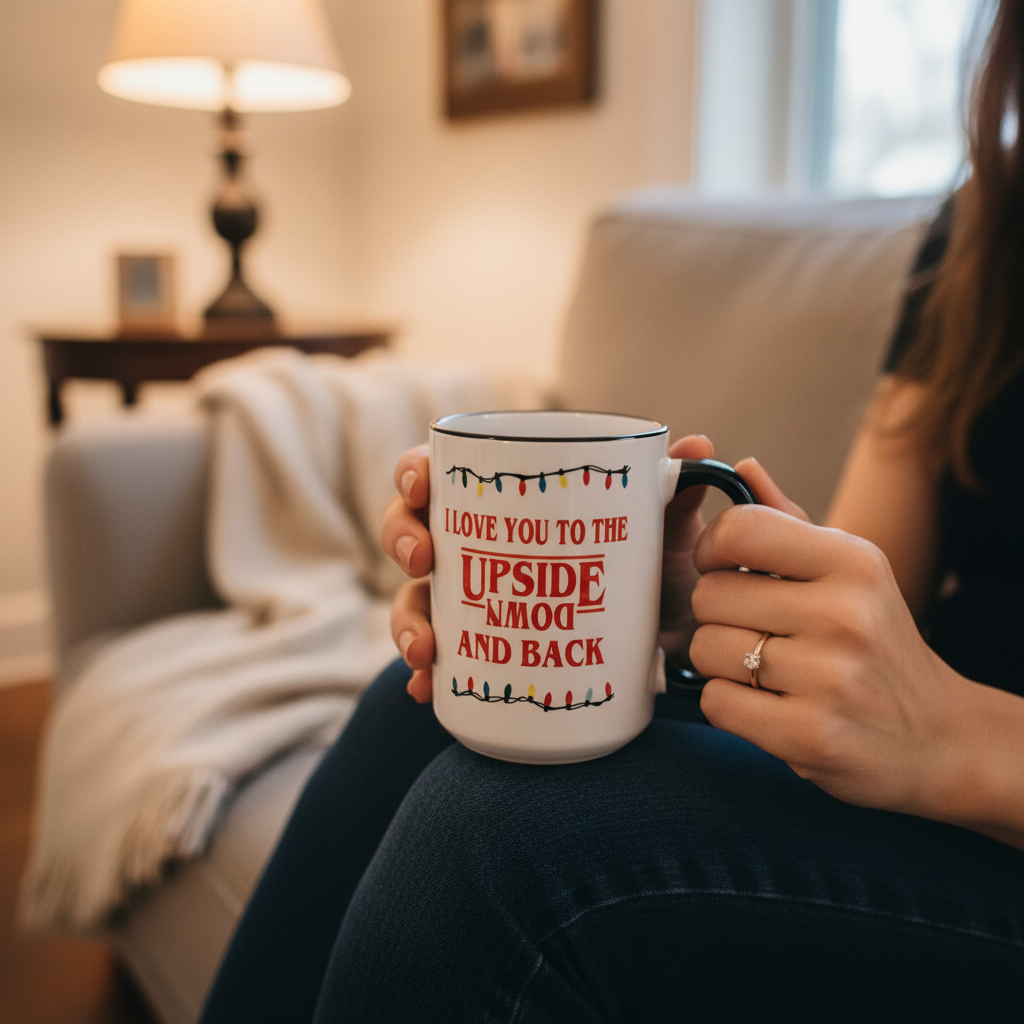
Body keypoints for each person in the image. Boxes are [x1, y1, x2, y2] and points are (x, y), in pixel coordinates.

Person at [200, 3, 1024, 1019]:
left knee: (499, 828)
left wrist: (956, 740)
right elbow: (873, 577)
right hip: (918, 779)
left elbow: (923, 711)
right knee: (413, 712)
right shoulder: (988, 225)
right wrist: (673, 604)